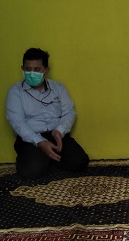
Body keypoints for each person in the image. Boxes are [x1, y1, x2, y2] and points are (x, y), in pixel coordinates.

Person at [6, 48, 89, 179]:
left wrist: (60, 131)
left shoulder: (59, 88)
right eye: (28, 69)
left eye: (37, 69)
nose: (31, 73)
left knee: (80, 161)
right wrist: (40, 142)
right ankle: (39, 160)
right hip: (31, 139)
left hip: (57, 135)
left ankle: (47, 160)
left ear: (46, 70)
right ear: (22, 68)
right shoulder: (15, 91)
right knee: (32, 171)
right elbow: (17, 123)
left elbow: (69, 112)